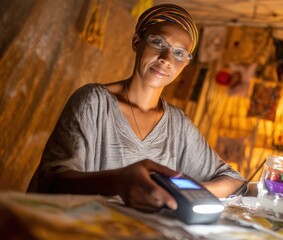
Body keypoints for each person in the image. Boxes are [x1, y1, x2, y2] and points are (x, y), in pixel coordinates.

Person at [28, 4, 244, 213]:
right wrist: (117, 181)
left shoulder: (179, 126)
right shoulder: (94, 102)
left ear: (185, 64)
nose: (166, 59)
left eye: (179, 53)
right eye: (158, 42)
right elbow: (52, 182)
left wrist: (179, 191)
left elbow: (233, 181)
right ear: (136, 42)